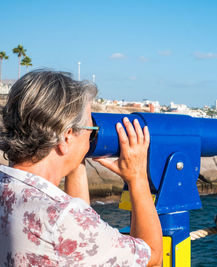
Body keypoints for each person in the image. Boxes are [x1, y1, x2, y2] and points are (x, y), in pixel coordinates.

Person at [0, 70, 163, 266]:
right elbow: (152, 256)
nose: (92, 136)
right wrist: (138, 178)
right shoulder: (62, 219)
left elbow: (78, 230)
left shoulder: (9, 187)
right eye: (91, 129)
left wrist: (75, 159)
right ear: (67, 136)